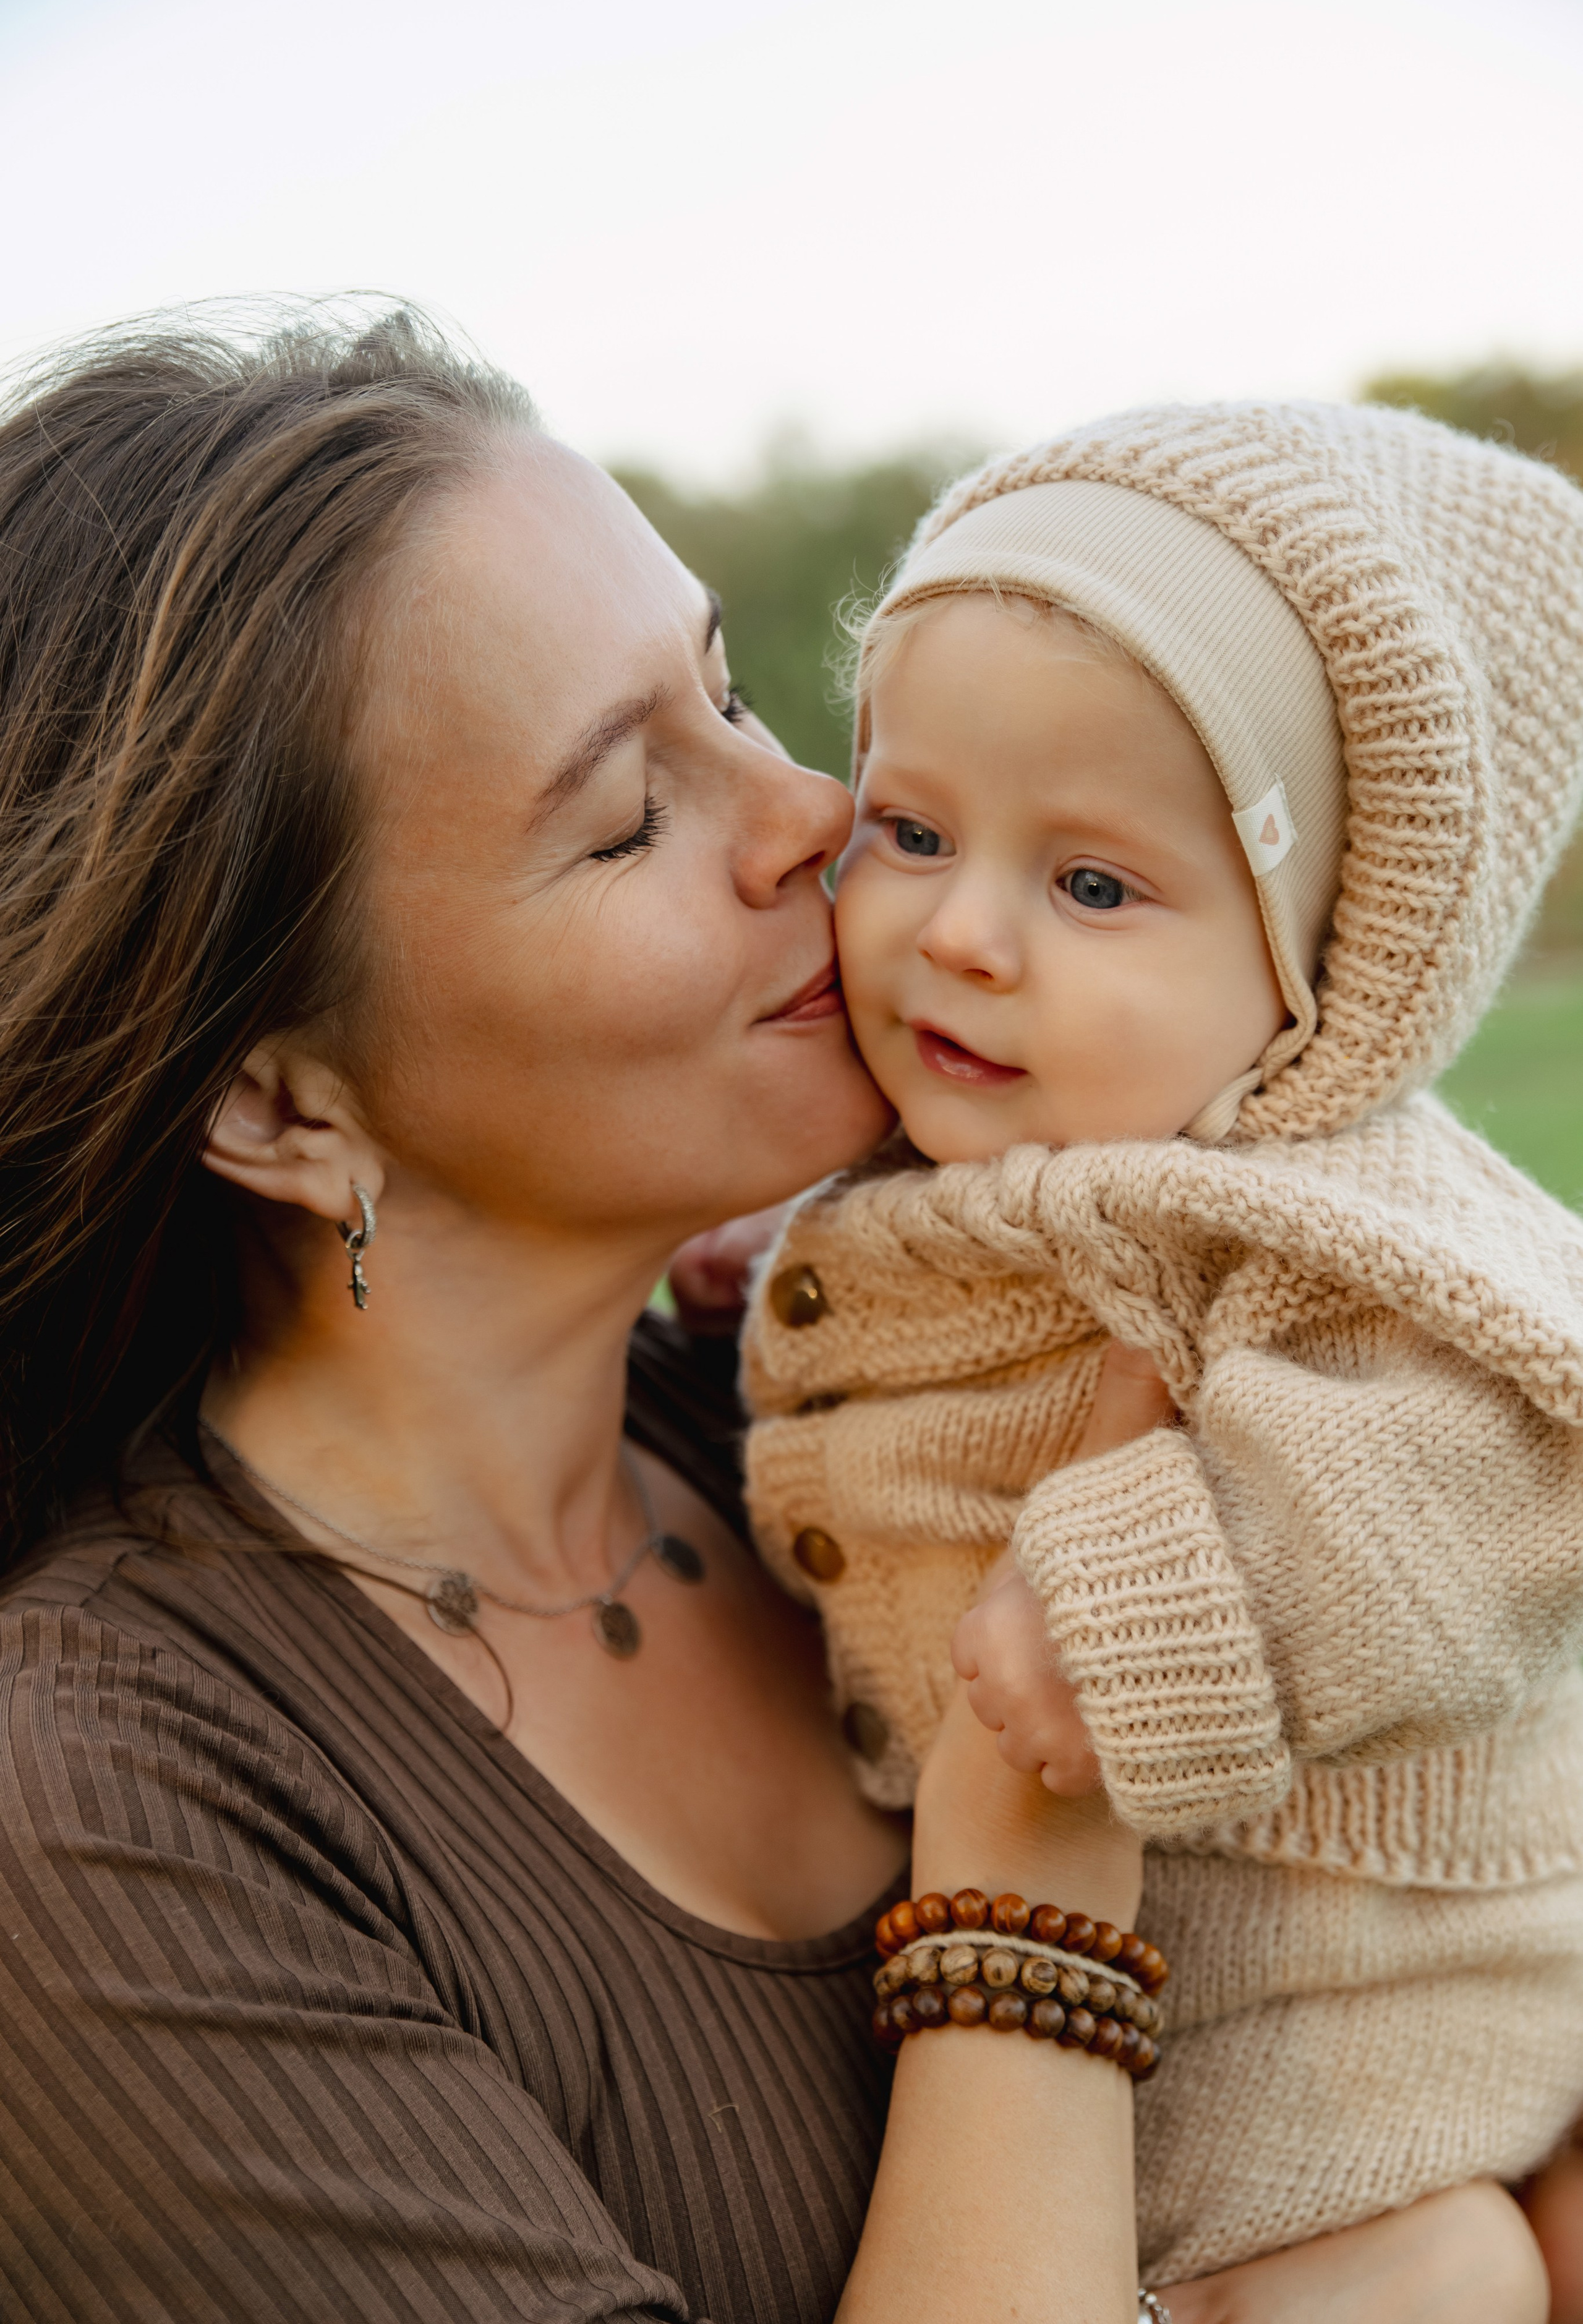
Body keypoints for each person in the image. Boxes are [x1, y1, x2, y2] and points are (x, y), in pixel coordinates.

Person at [0, 312, 1548, 2324]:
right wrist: (1021, 1907)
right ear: (284, 1102)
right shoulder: (110, 1821)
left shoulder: (849, 1407)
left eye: (731, 693)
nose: (815, 815)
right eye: (629, 813)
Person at [743, 406, 1583, 2291]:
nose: (961, 931)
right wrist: (774, 1276)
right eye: (912, 829)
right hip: (1124, 2084)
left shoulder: (1333, 1224)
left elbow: (1509, 1465)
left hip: (1374, 2055)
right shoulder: (1005, 1149)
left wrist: (1150, 1601)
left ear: (1316, 977)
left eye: (1095, 885)